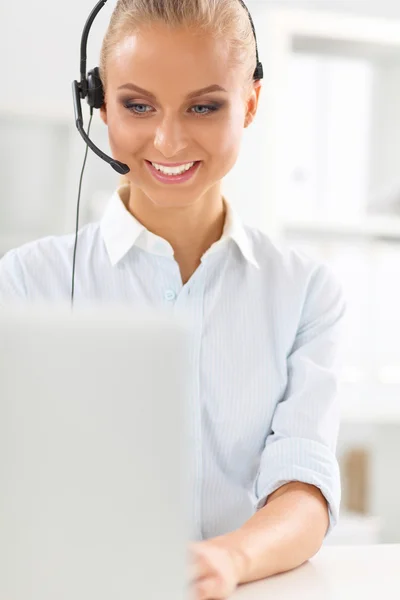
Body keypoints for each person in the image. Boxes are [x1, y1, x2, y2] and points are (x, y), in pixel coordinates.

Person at [0, 1, 346, 598]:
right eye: (137, 106)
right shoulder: (30, 283)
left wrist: (226, 561)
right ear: (99, 103)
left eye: (204, 106)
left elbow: (304, 486)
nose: (167, 139)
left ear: (252, 103)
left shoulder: (306, 292)